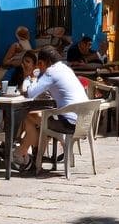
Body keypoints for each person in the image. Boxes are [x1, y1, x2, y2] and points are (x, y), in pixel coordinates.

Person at [14, 46, 88, 174]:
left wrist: (28, 74)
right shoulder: (65, 69)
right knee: (39, 123)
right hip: (84, 121)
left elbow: (30, 93)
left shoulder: (50, 72)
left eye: (39, 65)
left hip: (69, 123)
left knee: (29, 117)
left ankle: (21, 153)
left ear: (42, 63)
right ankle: (33, 159)